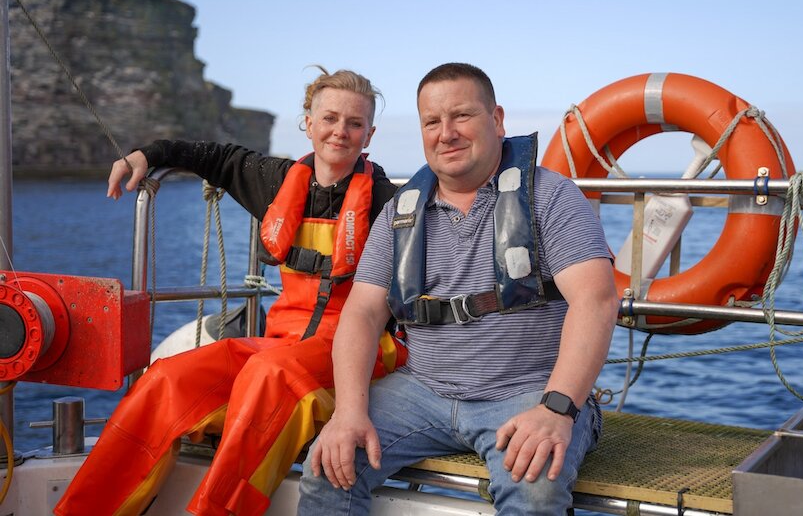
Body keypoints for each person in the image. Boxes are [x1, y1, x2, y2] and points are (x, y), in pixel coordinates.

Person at [55, 67, 406, 516]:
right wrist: (147, 153)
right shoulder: (275, 180)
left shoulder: (391, 203)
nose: (340, 131)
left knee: (269, 374)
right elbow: (213, 157)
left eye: (354, 123)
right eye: (330, 118)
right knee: (163, 379)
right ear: (308, 121)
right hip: (280, 345)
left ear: (369, 133)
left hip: (355, 352)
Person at [298, 63, 619, 515]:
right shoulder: (399, 214)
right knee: (326, 467)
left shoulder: (550, 196)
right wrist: (349, 411)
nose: (446, 133)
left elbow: (597, 301)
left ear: (497, 119)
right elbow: (362, 314)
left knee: (534, 490)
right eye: (432, 121)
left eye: (462, 116)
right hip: (420, 393)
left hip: (529, 392)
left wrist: (557, 408)